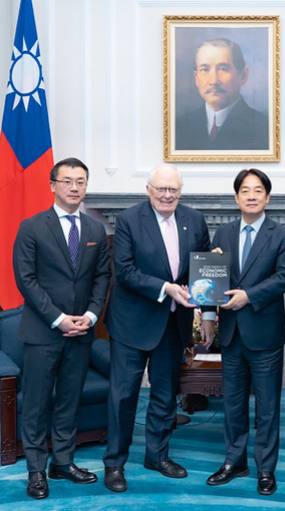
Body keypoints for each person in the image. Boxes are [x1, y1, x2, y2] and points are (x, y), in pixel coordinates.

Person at [103, 164, 211, 493]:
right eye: (161, 189)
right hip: (132, 323)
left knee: (165, 395)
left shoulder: (194, 219)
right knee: (123, 396)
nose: (167, 195)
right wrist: (166, 288)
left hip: (171, 323)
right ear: (149, 189)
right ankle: (115, 463)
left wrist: (207, 310)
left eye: (173, 190)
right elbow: (124, 271)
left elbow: (203, 268)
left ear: (181, 192)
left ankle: (157, 455)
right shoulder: (128, 220)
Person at [12, 157, 111, 500]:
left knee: (70, 400)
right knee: (37, 403)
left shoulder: (96, 230)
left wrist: (91, 315)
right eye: (67, 181)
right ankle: (36, 469)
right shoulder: (31, 227)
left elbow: (102, 277)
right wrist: (58, 318)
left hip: (82, 331)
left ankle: (63, 461)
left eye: (80, 181)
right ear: (53, 185)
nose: (74, 187)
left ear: (86, 186)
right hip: (43, 333)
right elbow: (26, 280)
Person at [202, 169, 285, 496]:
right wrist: (208, 316)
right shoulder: (223, 235)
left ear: (267, 197)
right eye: (245, 190)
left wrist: (249, 296)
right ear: (236, 197)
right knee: (233, 403)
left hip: (264, 333)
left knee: (268, 407)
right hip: (230, 334)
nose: (252, 195)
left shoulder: (282, 235)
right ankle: (234, 460)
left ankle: (266, 469)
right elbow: (211, 280)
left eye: (258, 190)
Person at [175, 38, 269, 151]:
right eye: (205, 69)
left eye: (223, 69)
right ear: (196, 78)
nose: (213, 81)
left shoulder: (263, 128)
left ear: (243, 75)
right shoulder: (179, 126)